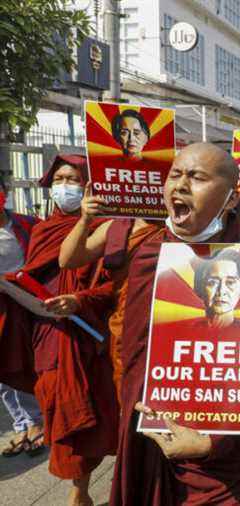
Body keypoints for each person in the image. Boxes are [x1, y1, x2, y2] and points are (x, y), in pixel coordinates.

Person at [111, 143, 240, 506]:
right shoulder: (151, 258)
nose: (181, 185)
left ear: (232, 199)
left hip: (230, 458)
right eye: (175, 175)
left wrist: (212, 442)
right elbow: (135, 353)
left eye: (197, 177)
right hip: (156, 434)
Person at [14, 154, 118, 506]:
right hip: (47, 333)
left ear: (89, 185)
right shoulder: (43, 229)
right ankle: (81, 487)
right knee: (58, 406)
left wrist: (79, 300)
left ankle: (81, 490)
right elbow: (34, 276)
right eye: (58, 179)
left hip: (89, 334)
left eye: (73, 179)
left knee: (90, 412)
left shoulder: (106, 228)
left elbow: (115, 287)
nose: (64, 186)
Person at [59, 185, 161, 405]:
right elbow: (68, 260)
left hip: (167, 326)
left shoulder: (181, 226)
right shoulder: (118, 227)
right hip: (127, 328)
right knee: (129, 401)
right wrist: (85, 219)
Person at [0, 182, 44, 458]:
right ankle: (20, 424)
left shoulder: (28, 225)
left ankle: (36, 423)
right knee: (3, 373)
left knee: (28, 363)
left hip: (26, 305)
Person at [193, 248, 240, 329]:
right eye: (212, 283)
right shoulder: (184, 332)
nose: (221, 291)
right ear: (199, 289)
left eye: (230, 282)